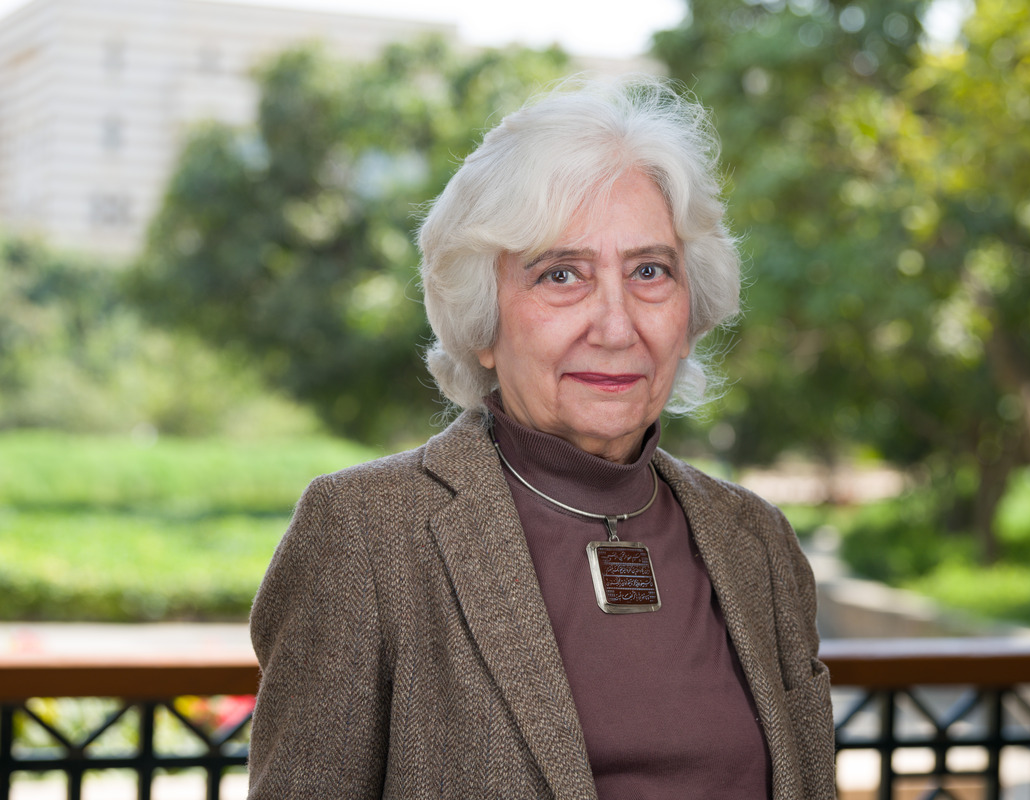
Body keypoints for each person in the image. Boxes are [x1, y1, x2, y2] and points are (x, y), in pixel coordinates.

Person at [247, 76, 835, 799]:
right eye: (562, 275)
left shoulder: (759, 544)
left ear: (691, 309)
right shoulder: (366, 535)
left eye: (650, 271)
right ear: (484, 323)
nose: (616, 326)